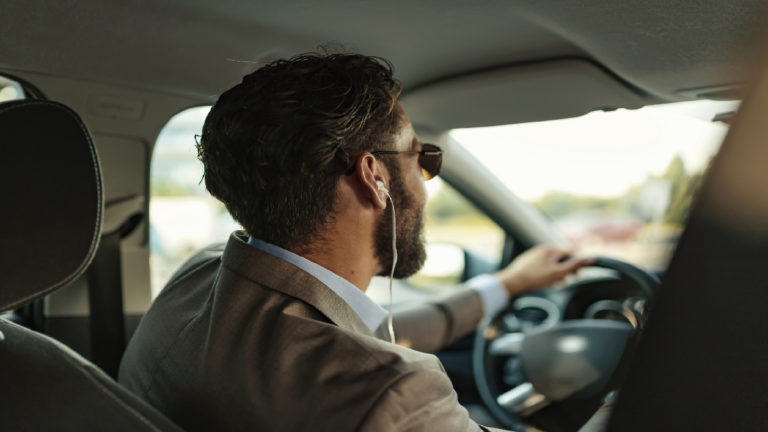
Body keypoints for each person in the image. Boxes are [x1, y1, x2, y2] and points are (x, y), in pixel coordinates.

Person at [118, 50, 596, 432]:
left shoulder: (201, 277)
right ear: (374, 176)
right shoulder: (392, 391)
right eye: (420, 158)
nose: (427, 181)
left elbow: (374, 334)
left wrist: (506, 285)